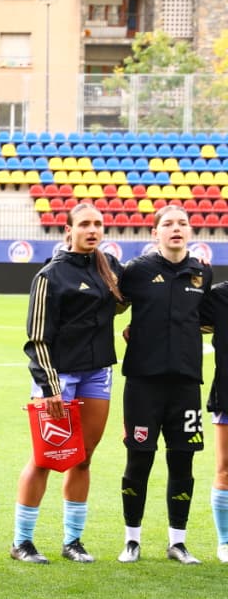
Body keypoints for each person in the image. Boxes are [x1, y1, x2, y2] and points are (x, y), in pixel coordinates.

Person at [12, 202, 124, 564]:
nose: (92, 230)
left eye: (98, 224)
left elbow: (130, 298)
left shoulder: (110, 268)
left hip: (98, 373)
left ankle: (73, 541)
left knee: (84, 458)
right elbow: (37, 339)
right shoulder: (50, 276)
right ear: (68, 230)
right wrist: (51, 387)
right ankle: (21, 542)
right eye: (85, 225)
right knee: (45, 458)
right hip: (59, 376)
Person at [116, 204, 209, 564]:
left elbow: (200, 319)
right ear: (155, 233)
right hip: (143, 381)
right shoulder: (137, 271)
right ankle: (132, 539)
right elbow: (115, 306)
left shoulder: (201, 271)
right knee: (139, 457)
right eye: (168, 224)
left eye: (182, 224)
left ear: (190, 231)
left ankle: (178, 541)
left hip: (186, 383)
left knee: (183, 460)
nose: (176, 229)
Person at [204, 277, 228, 563]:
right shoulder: (220, 295)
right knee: (225, 470)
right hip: (227, 391)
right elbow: (180, 315)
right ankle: (225, 542)